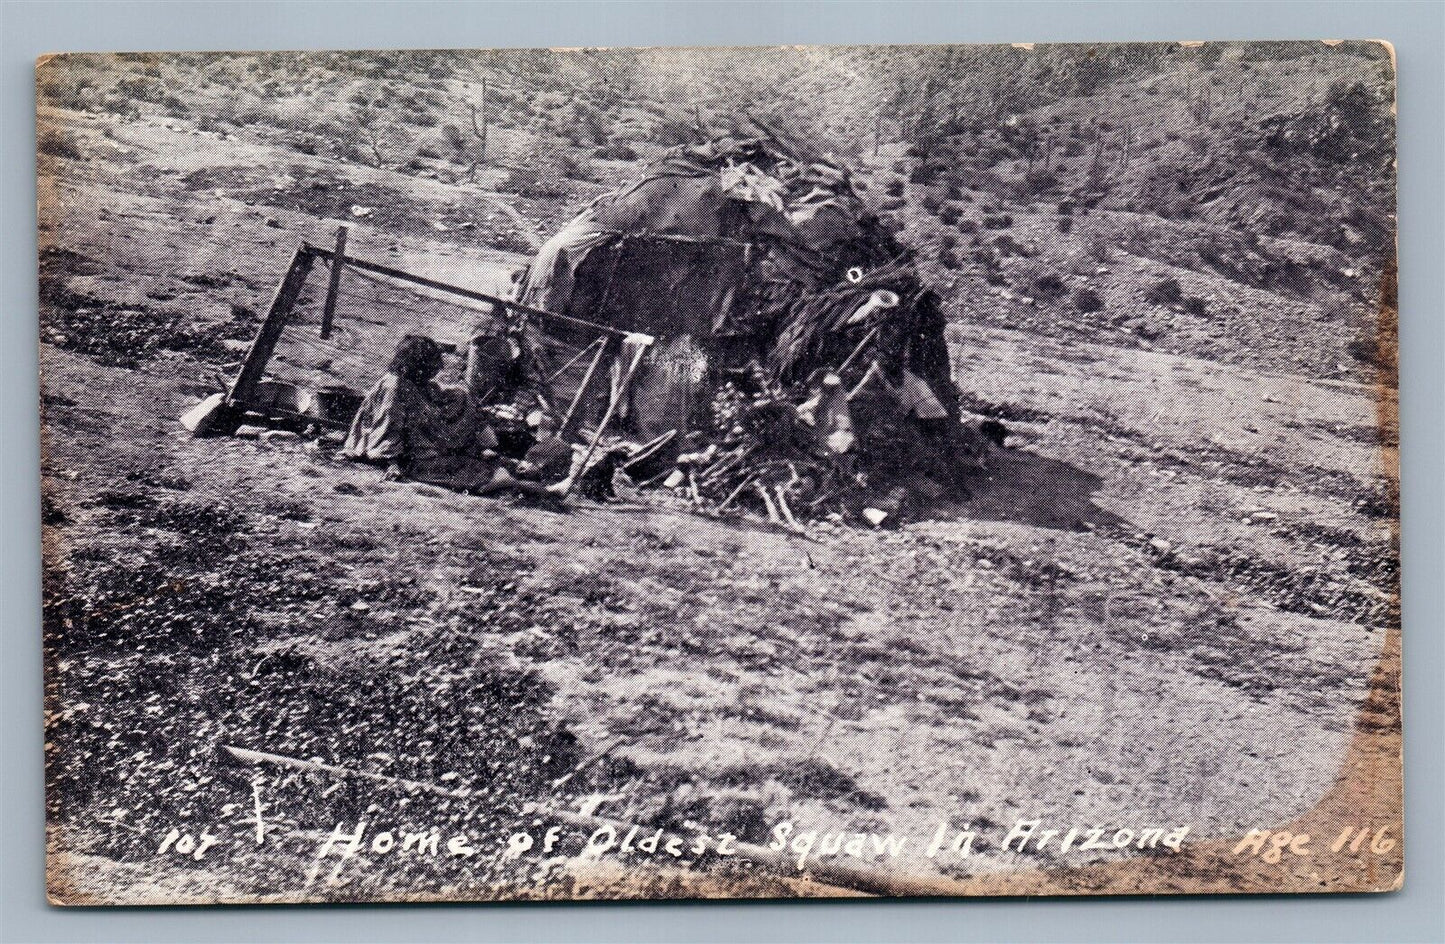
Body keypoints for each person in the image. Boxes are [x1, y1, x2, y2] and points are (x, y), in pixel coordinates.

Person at [345, 335, 563, 500]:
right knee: (472, 471)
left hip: (424, 447)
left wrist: (459, 396)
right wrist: (392, 464)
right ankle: (526, 485)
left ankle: (516, 474)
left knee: (461, 397)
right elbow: (388, 430)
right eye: (429, 368)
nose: (434, 373)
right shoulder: (394, 387)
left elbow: (436, 396)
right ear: (416, 365)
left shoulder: (416, 384)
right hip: (409, 458)